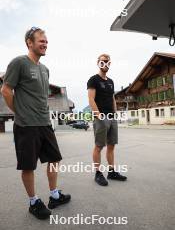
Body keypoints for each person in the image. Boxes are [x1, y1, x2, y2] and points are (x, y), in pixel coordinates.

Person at [1, 27, 71, 220]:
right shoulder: (18, 63)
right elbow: (6, 90)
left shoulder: (44, 69)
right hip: (26, 125)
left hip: (44, 122)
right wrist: (20, 112)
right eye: (41, 40)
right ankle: (33, 202)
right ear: (29, 43)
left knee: (54, 159)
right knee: (28, 166)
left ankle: (54, 196)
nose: (45, 43)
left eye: (46, 41)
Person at [87, 54, 127, 186]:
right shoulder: (93, 80)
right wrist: (98, 115)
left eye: (108, 62)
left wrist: (114, 114)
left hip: (111, 117)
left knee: (111, 145)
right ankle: (98, 174)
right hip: (101, 117)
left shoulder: (111, 81)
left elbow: (112, 98)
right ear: (98, 63)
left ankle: (111, 172)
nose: (106, 64)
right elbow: (91, 99)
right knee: (99, 146)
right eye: (103, 61)